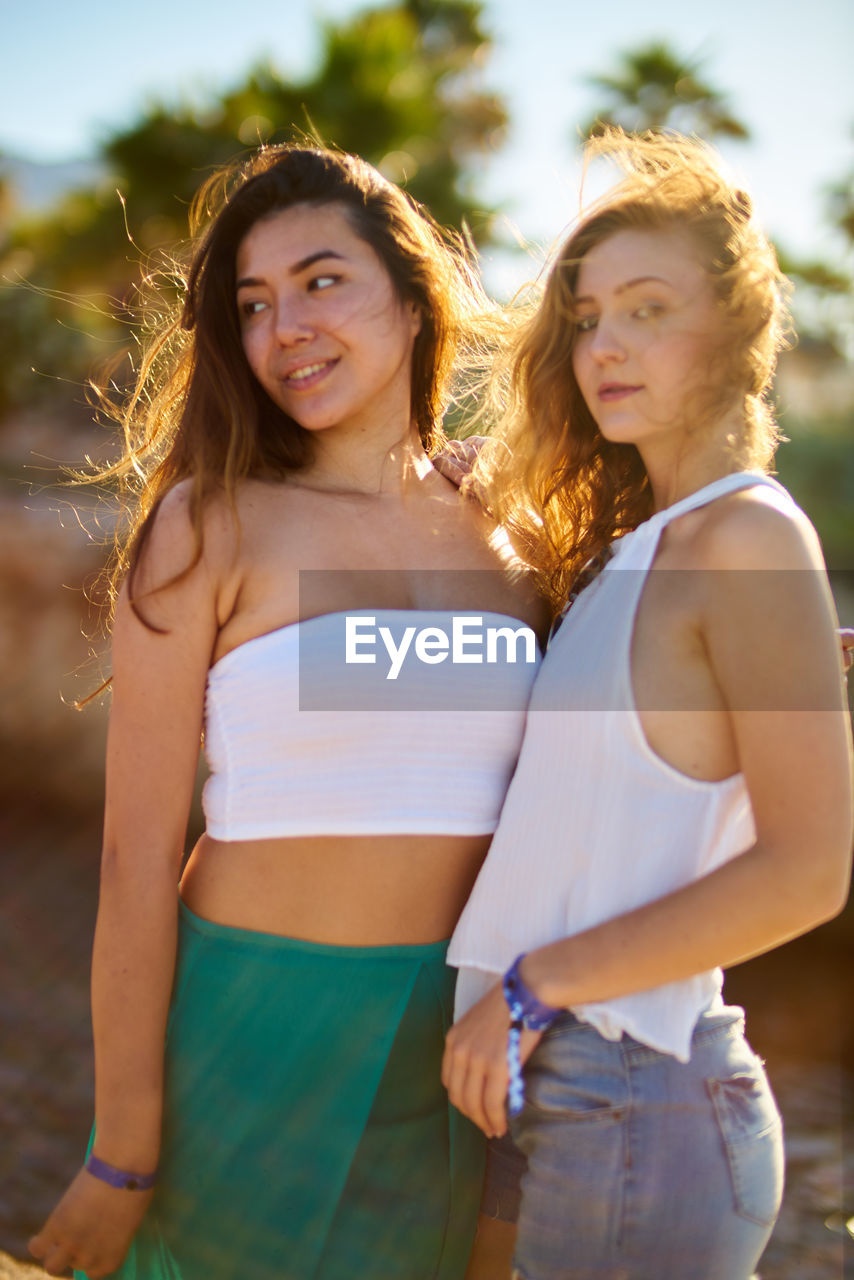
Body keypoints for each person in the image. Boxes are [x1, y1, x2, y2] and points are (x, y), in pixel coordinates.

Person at [28, 144, 546, 1280]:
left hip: (449, 1046)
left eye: (322, 281)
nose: (284, 329)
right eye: (253, 304)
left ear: (413, 302)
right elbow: (133, 857)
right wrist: (122, 1149)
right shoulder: (208, 525)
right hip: (248, 1037)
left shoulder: (506, 529)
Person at [443, 131, 853, 1280]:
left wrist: (532, 987)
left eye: (645, 308)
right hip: (566, 1093)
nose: (602, 345)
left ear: (732, 328)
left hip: (633, 1096)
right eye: (584, 316)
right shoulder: (654, 549)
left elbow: (807, 871)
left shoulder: (749, 538)